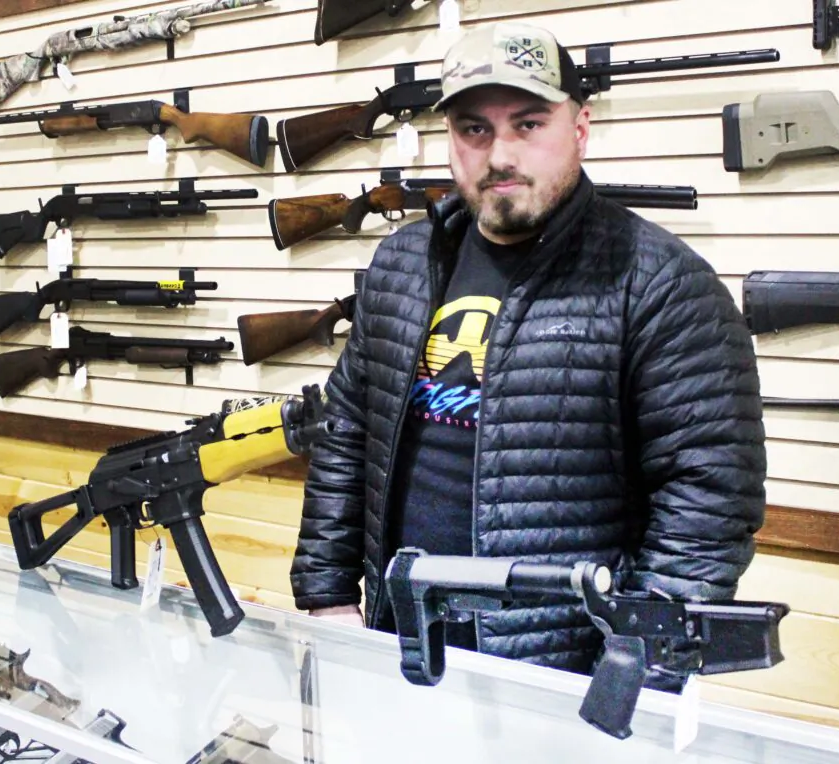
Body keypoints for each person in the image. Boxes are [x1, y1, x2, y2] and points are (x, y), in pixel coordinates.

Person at [290, 21, 766, 677]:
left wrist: (634, 668)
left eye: (528, 124)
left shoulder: (659, 282)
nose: (499, 155)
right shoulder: (402, 262)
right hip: (399, 636)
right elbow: (346, 433)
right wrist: (328, 595)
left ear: (580, 128)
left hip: (560, 666)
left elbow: (708, 503)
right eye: (474, 129)